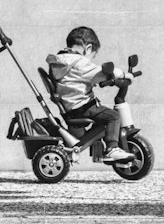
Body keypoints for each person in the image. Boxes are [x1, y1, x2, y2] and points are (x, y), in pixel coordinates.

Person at [47, 26, 131, 162]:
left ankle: (98, 144)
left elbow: (77, 80)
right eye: (93, 56)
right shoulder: (79, 63)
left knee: (102, 119)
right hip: (83, 107)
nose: (91, 59)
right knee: (114, 117)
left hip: (71, 107)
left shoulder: (60, 62)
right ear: (88, 48)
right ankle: (111, 149)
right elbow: (99, 73)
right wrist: (123, 74)